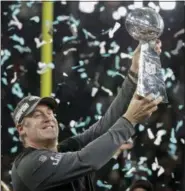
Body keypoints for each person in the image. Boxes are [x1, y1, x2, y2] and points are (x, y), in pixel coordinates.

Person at [11, 41, 162, 191]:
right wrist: (129, 120)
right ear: (21, 129)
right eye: (37, 115)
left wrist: (134, 73)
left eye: (50, 113)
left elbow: (103, 128)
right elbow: (86, 160)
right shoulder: (29, 164)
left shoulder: (65, 151)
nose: (48, 117)